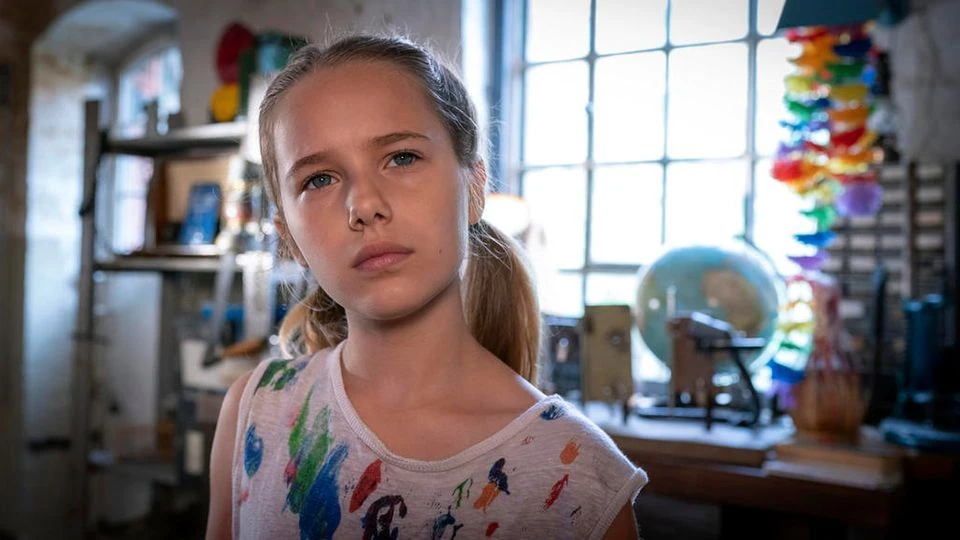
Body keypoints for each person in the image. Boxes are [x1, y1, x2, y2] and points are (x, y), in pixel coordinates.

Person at [206, 34, 647, 540]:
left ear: (474, 188)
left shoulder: (579, 481)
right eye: (320, 179)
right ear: (289, 238)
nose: (364, 205)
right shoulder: (254, 413)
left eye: (401, 158)